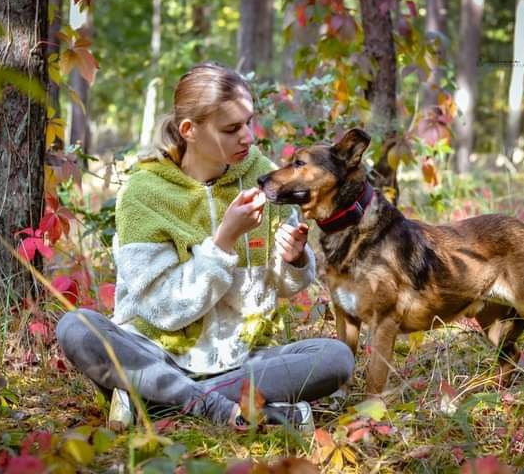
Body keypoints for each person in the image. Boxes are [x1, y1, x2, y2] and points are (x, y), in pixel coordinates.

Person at [56, 62, 354, 429]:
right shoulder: (144, 193)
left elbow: (284, 286)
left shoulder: (262, 176)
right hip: (156, 355)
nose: (247, 137)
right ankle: (220, 408)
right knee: (75, 326)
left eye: (248, 122)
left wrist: (293, 260)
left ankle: (159, 403)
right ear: (189, 130)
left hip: (242, 358)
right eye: (231, 128)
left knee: (335, 357)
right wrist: (224, 240)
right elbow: (164, 310)